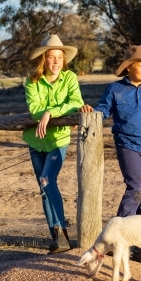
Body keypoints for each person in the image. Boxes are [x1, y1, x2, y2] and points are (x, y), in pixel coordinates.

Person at [81, 45, 141, 220]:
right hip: (127, 146)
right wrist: (91, 113)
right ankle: (117, 234)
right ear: (128, 67)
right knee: (136, 189)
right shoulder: (115, 89)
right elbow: (102, 111)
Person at [23, 34, 85, 253]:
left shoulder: (69, 78)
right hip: (36, 141)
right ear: (43, 59)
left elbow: (76, 102)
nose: (56, 61)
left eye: (59, 57)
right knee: (43, 187)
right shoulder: (32, 81)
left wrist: (51, 112)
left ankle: (63, 231)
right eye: (51, 57)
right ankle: (55, 237)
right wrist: (44, 113)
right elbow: (34, 108)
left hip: (58, 140)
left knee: (47, 180)